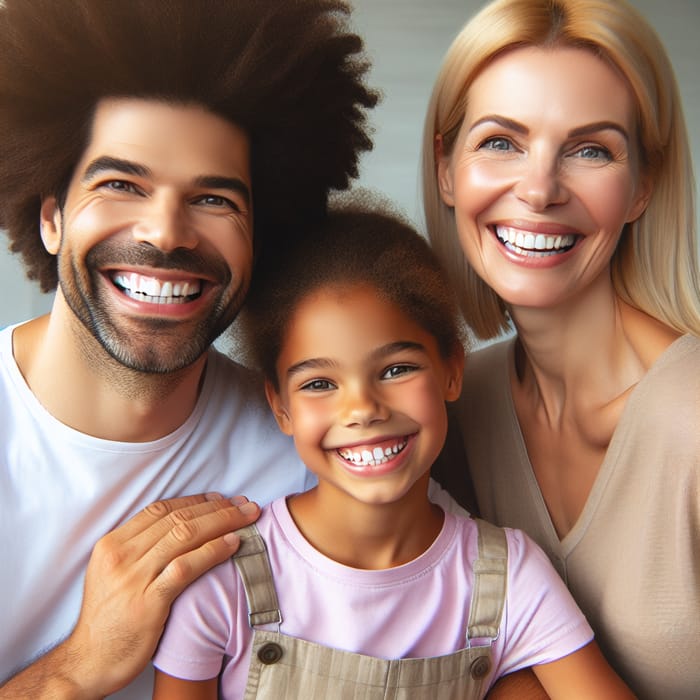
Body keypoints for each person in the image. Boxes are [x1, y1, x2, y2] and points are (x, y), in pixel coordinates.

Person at [0, 1, 377, 698]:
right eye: (121, 184)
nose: (167, 232)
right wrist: (77, 665)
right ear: (50, 216)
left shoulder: (315, 449)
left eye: (214, 200)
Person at [151, 199, 634, 700]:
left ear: (452, 369)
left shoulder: (511, 578)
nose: (362, 408)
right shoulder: (223, 582)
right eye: (319, 383)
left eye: (396, 369)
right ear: (281, 407)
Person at [422, 0, 700, 698]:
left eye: (590, 149)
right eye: (500, 142)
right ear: (447, 169)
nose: (540, 189)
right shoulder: (454, 403)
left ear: (641, 186)